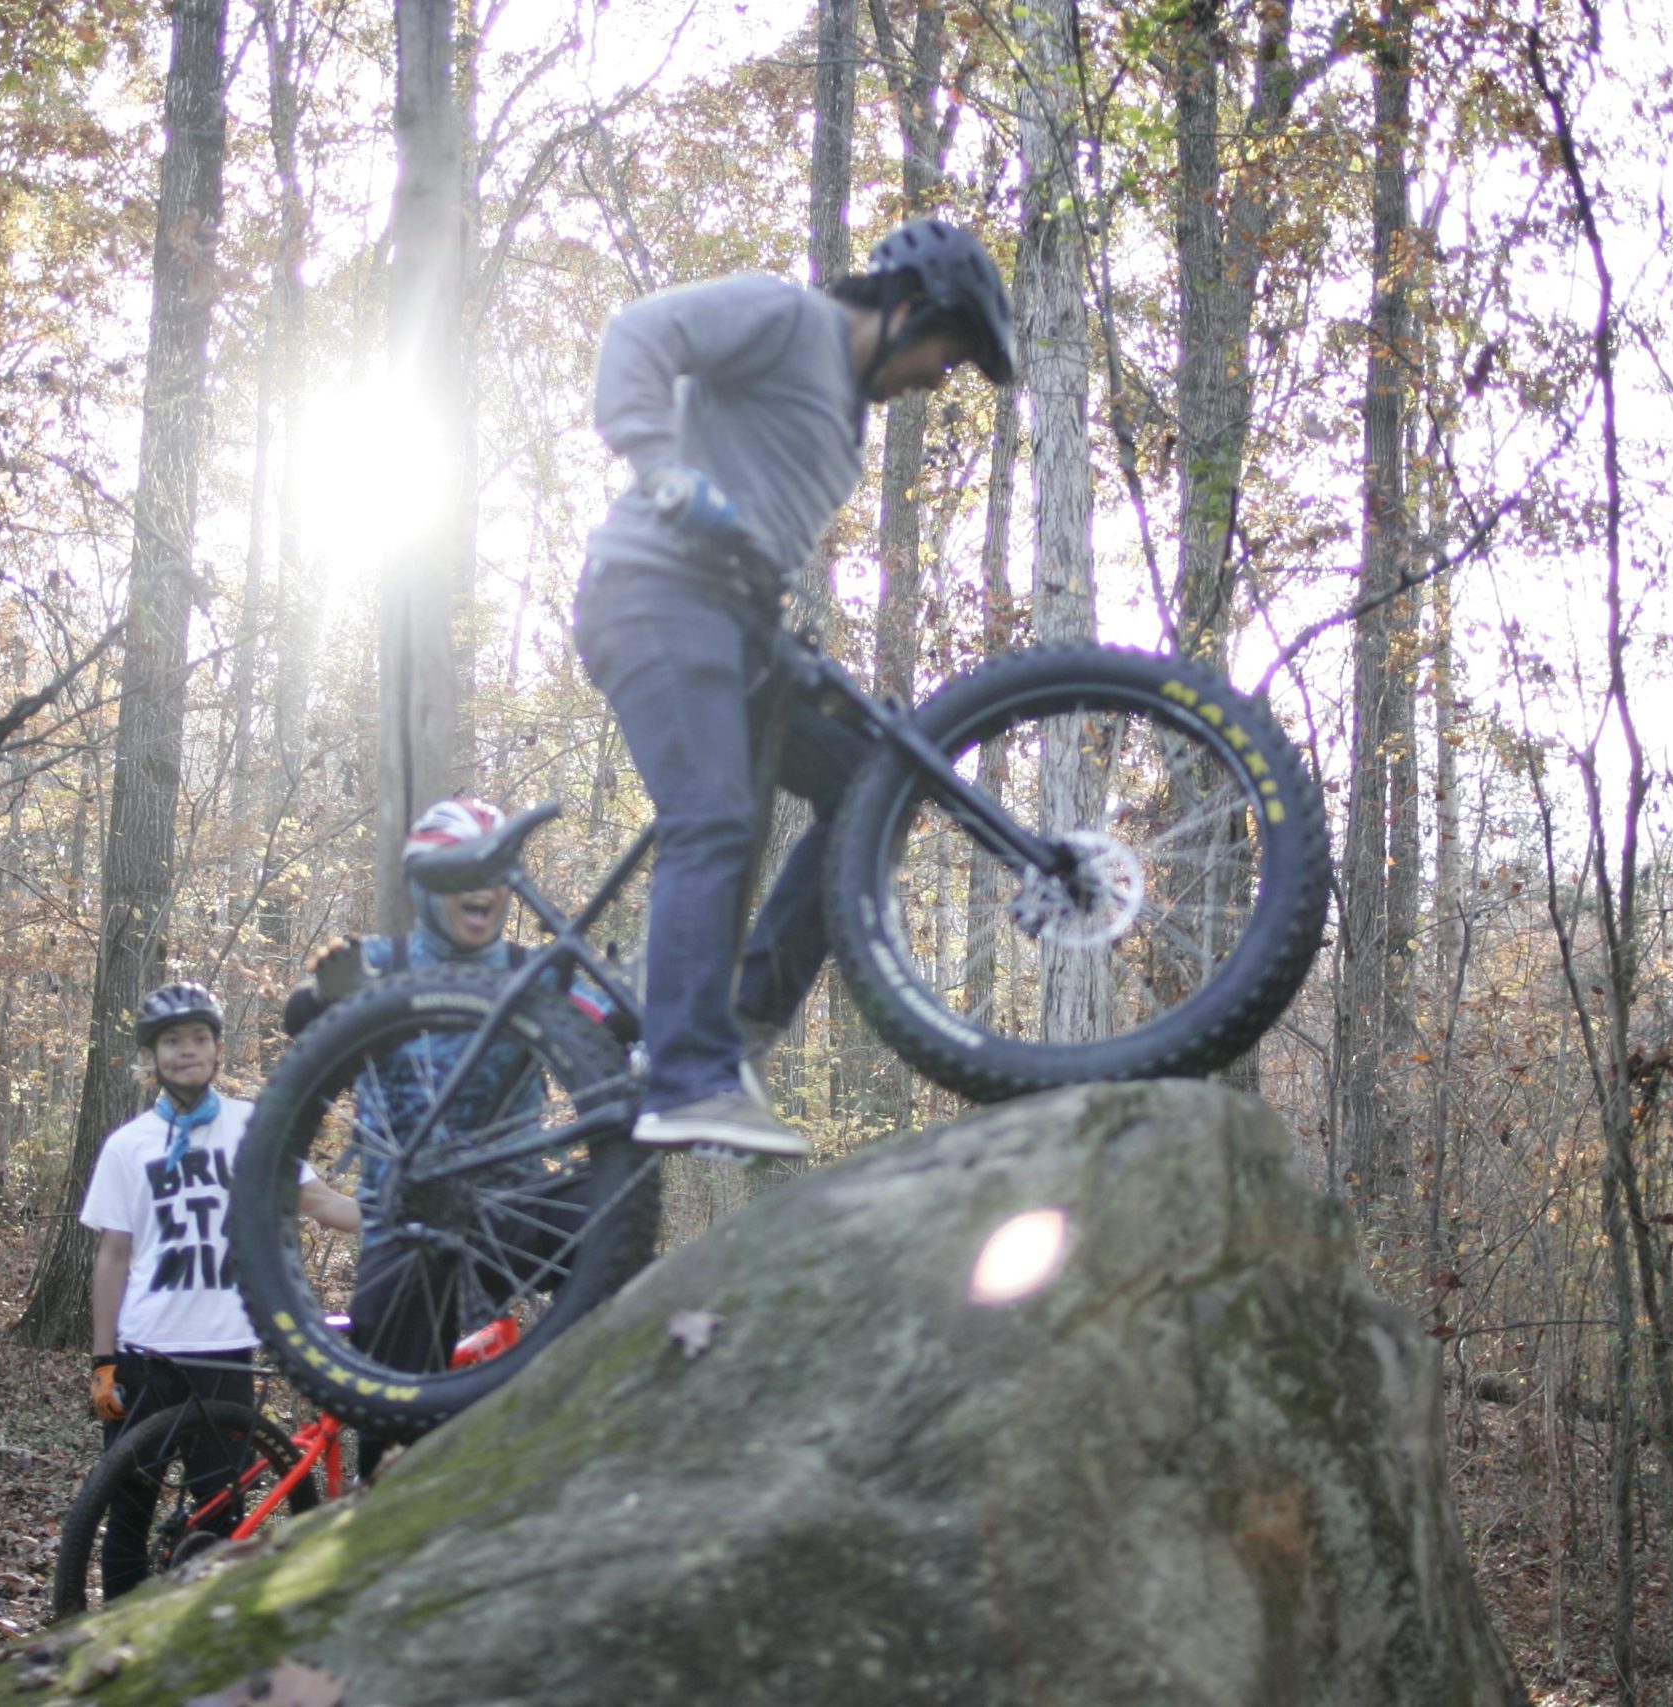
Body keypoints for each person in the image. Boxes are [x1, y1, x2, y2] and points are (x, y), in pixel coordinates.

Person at [573, 216, 1016, 1156]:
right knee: (715, 818)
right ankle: (685, 1075)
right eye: (948, 354)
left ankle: (731, 1026)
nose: (938, 382)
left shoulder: (848, 424)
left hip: (736, 626)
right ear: (908, 308)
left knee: (874, 782)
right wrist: (662, 470)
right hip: (651, 595)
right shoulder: (784, 316)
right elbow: (637, 336)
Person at [281, 796, 613, 1474]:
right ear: (424, 883)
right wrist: (325, 994)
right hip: (405, 1220)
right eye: (460, 871)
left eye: (495, 871)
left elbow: (617, 1021)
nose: (481, 887)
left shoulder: (541, 968)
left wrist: (632, 1013)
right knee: (389, 1414)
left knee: (616, 1214)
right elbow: (298, 1017)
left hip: (511, 1204)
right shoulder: (381, 960)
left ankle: (604, 1415)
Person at [78, 980, 359, 1598]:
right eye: (172, 1041)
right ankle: (113, 1643)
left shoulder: (253, 1128)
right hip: (147, 1352)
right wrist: (103, 1360)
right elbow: (113, 1256)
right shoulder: (128, 1146)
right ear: (151, 1056)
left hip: (226, 1352)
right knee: (128, 1508)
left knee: (222, 1512)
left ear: (217, 1049)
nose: (186, 1051)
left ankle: (201, 1631)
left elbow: (318, 1200)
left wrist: (398, 1216)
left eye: (198, 1038)